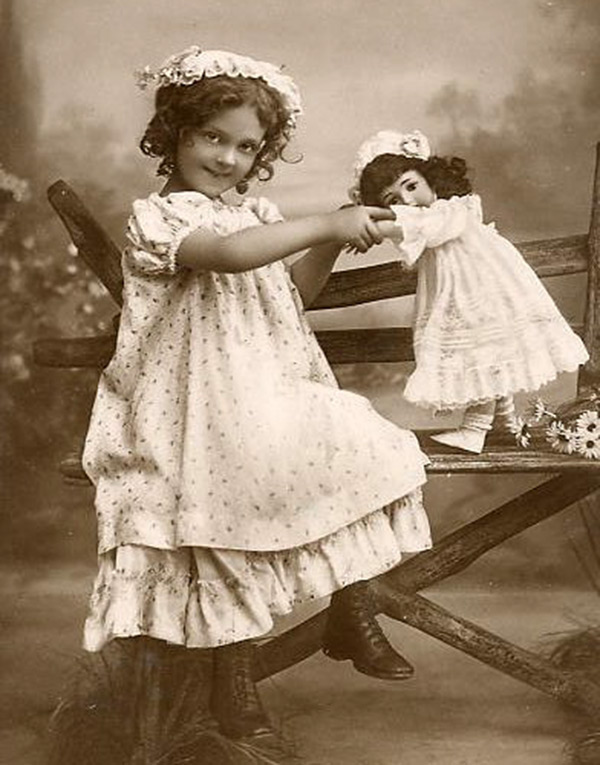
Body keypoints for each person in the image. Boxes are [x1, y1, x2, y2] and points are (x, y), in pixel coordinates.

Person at [82, 48, 432, 740]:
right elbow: (227, 256)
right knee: (229, 506)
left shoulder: (259, 217)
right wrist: (326, 224)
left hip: (269, 394)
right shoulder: (163, 221)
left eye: (246, 146)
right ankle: (233, 671)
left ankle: (349, 608)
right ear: (176, 132)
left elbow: (288, 294)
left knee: (375, 448)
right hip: (193, 412)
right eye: (213, 136)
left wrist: (333, 238)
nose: (227, 157)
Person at [349, 129, 589, 454]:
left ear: (430, 177)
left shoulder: (451, 210)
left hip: (479, 295)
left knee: (480, 352)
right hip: (462, 293)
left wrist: (372, 225)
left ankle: (474, 430)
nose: (406, 200)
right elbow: (410, 229)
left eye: (411, 186)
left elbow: (418, 227)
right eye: (393, 199)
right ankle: (504, 421)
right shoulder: (430, 215)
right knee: (490, 356)